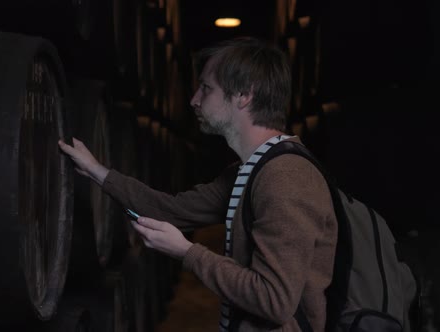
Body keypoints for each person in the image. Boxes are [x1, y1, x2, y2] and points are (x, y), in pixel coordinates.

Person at [58, 36, 337, 332]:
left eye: (206, 88)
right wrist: (96, 171)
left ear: (244, 95)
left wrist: (187, 253)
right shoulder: (251, 170)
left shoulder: (286, 178)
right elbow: (171, 209)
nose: (193, 99)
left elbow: (273, 300)